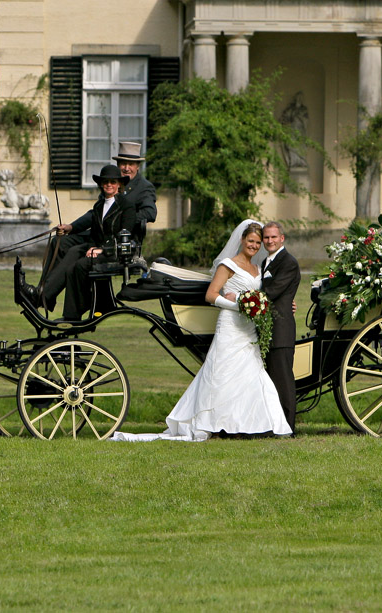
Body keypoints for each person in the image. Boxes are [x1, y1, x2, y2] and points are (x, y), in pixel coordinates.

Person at [112, 220, 292, 441]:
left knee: (251, 375)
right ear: (242, 240)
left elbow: (267, 294)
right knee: (221, 373)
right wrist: (239, 306)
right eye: (251, 241)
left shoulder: (258, 268)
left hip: (249, 330)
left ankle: (247, 424)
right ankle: (211, 423)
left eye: (258, 242)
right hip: (231, 325)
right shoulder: (228, 264)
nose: (255, 246)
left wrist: (276, 304)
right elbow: (211, 295)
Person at [25, 164, 135, 320]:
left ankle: (72, 314)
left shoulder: (126, 206)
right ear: (101, 184)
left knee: (78, 266)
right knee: (71, 251)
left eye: (113, 182)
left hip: (114, 253)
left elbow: (126, 234)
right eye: (105, 182)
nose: (108, 185)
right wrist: (91, 247)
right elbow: (95, 234)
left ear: (119, 184)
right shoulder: (98, 206)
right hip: (96, 248)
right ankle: (42, 294)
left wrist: (103, 250)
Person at [40, 142, 156, 280]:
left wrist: (123, 220)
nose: (126, 168)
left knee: (77, 256)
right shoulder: (111, 184)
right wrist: (71, 227)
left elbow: (150, 213)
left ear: (137, 166)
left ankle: (47, 291)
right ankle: (43, 289)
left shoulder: (144, 187)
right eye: (123, 164)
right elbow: (96, 214)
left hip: (121, 241)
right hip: (99, 235)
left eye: (130, 164)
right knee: (60, 242)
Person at [260, 221, 301, 433]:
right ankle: (273, 424)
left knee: (283, 380)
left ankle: (288, 426)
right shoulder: (266, 262)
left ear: (282, 238)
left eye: (274, 237)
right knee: (271, 379)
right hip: (268, 328)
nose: (270, 241)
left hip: (281, 328)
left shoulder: (288, 262)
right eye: (266, 237)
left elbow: (272, 291)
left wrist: (241, 299)